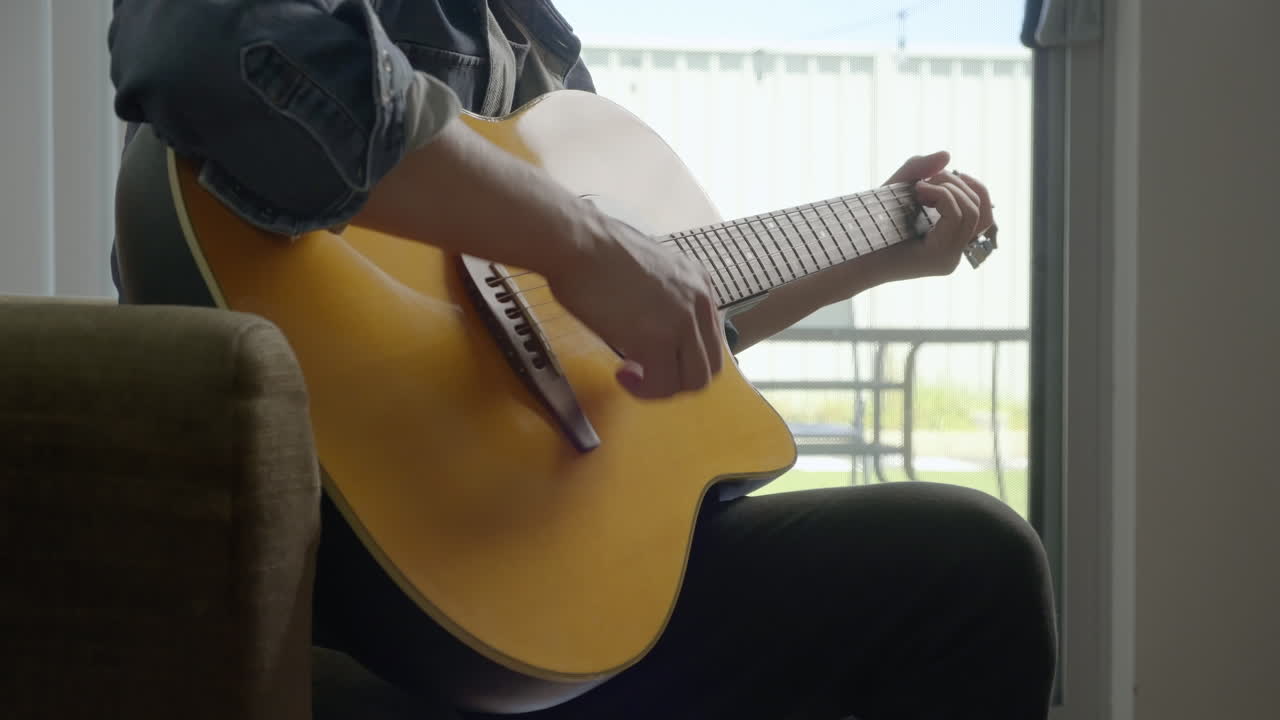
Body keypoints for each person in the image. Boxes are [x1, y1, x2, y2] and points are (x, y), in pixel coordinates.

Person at [108, 1, 1057, 718]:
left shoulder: (547, 56)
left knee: (973, 569)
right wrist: (585, 245)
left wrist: (866, 259)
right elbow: (212, 44)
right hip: (367, 569)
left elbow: (632, 346)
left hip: (543, 573)